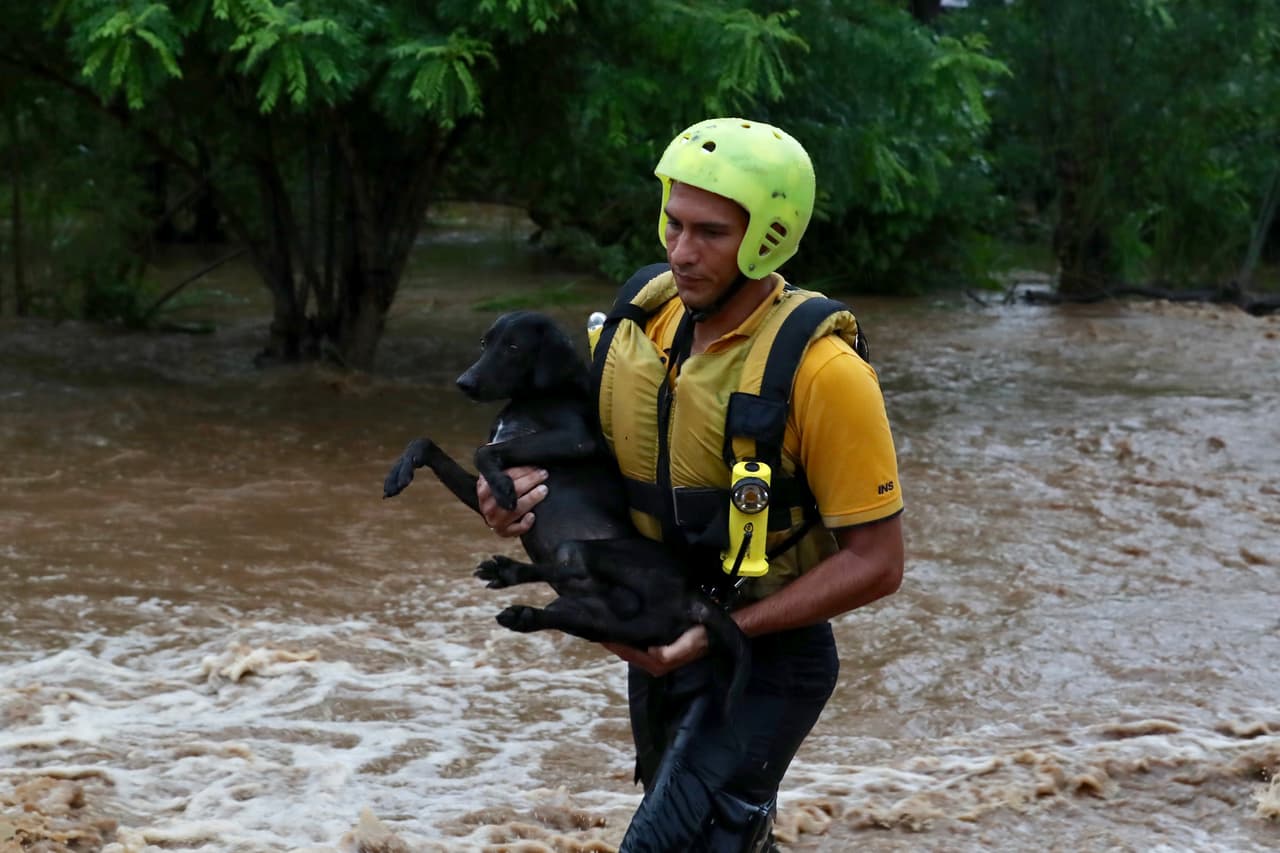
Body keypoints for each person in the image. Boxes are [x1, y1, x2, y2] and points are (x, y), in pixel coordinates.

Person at [477, 117, 905, 852]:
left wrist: (723, 631)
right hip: (659, 643)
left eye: (710, 232)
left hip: (765, 656)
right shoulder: (632, 330)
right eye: (673, 224)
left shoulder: (827, 373)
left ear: (769, 237)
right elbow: (585, 470)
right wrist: (508, 498)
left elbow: (878, 562)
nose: (681, 252)